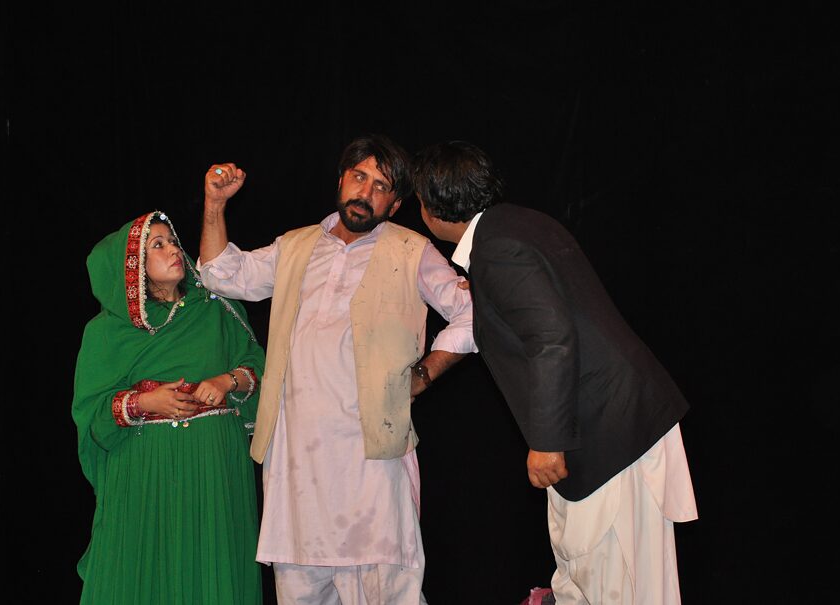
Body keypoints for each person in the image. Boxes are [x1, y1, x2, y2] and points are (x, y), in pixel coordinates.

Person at [412, 141, 698, 605]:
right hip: (617, 421)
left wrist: (547, 441)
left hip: (606, 431)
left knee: (612, 582)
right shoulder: (518, 225)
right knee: (609, 580)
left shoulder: (497, 248)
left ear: (432, 207)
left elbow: (551, 338)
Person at [198, 134, 476, 604]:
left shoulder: (412, 250)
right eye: (359, 177)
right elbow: (221, 274)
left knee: (388, 593)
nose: (365, 192)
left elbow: (472, 314)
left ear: (395, 204)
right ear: (341, 179)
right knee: (301, 592)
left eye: (381, 186)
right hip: (297, 467)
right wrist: (214, 205)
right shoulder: (296, 245)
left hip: (372, 465)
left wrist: (425, 373)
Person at [73, 211, 265, 605]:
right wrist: (145, 401)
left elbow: (260, 370)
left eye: (173, 241)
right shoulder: (107, 331)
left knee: (211, 570)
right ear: (131, 266)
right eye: (157, 245)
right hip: (145, 471)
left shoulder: (216, 309)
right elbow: (92, 413)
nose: (174, 250)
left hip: (213, 468)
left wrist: (226, 381)